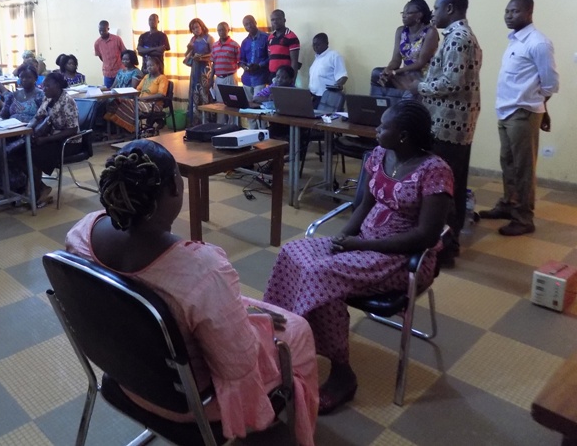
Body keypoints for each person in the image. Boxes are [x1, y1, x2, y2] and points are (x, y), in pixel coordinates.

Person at [66, 140, 318, 444]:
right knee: (298, 328)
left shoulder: (81, 234)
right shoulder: (203, 271)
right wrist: (253, 321)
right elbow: (238, 366)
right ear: (175, 186)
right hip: (190, 405)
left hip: (123, 375)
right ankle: (286, 427)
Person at [263, 100, 452, 415]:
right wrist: (345, 239)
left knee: (320, 276)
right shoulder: (380, 156)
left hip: (402, 257)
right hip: (363, 243)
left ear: (403, 135)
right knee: (292, 252)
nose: (377, 129)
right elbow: (363, 204)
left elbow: (426, 237)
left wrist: (357, 247)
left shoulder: (435, 172)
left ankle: (342, 373)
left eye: (384, 126)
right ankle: (285, 340)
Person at [394, 0, 481, 265]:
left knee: (446, 188)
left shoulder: (458, 38)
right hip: (450, 121)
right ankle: (445, 243)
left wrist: (417, 86)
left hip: (449, 124)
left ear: (451, 9)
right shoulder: (459, 37)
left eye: (437, 8)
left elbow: (451, 83)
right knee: (450, 184)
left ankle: (446, 248)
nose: (434, 14)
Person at [478, 0, 559, 236]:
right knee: (508, 162)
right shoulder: (515, 40)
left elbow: (550, 84)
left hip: (523, 112)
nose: (508, 15)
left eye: (514, 11)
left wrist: (538, 107)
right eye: (506, 11)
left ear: (528, 13)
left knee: (523, 168)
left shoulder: (539, 43)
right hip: (506, 110)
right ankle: (508, 204)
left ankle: (524, 218)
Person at [0, 63, 44, 193]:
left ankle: (18, 184)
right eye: (22, 77)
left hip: (28, 134)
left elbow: (43, 118)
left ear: (35, 78)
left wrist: (31, 128)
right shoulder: (12, 95)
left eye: (29, 77)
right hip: (9, 131)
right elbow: (3, 115)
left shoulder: (41, 96)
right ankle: (3, 183)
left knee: (9, 151)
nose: (25, 80)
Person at [27, 73, 79, 207]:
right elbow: (38, 116)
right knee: (23, 149)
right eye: (43, 86)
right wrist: (28, 128)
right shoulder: (48, 98)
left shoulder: (67, 101)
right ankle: (38, 187)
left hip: (68, 141)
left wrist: (46, 139)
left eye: (47, 86)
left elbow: (72, 130)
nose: (44, 89)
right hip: (50, 138)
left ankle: (39, 191)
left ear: (57, 85)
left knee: (34, 153)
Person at [374, 0, 439, 98]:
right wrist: (388, 70)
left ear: (419, 15)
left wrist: (395, 72)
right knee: (377, 73)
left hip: (423, 77)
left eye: (408, 13)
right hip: (405, 74)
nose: (404, 16)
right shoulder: (401, 31)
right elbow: (396, 59)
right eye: (403, 13)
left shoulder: (430, 32)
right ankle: (379, 107)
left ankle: (405, 104)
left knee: (412, 77)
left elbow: (420, 63)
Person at [184, 18, 214, 126]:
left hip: (205, 70)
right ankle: (196, 122)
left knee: (205, 93)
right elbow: (186, 55)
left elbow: (213, 54)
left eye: (197, 27)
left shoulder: (209, 38)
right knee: (195, 93)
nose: (195, 30)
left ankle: (208, 122)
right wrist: (188, 49)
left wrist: (201, 56)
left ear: (202, 26)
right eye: (193, 29)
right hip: (195, 69)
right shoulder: (192, 40)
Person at [307, 33, 347, 101]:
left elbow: (343, 77)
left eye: (318, 44)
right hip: (313, 97)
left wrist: (335, 89)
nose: (315, 47)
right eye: (314, 45)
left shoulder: (334, 55)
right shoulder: (317, 58)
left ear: (326, 43)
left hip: (327, 97)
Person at [239, 15, 271, 99]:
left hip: (260, 78)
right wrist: (245, 67)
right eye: (246, 24)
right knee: (247, 107)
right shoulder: (244, 42)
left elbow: (271, 57)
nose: (249, 26)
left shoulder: (266, 38)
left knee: (259, 106)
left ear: (255, 22)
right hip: (247, 79)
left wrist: (259, 65)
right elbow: (241, 60)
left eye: (251, 23)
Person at [94, 20, 127, 88]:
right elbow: (101, 57)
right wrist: (108, 63)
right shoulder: (97, 43)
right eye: (100, 30)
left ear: (108, 29)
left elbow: (124, 53)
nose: (102, 32)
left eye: (104, 30)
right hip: (107, 73)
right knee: (109, 94)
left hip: (120, 71)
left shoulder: (117, 39)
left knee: (121, 94)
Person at [267, 9, 300, 76]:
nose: (275, 22)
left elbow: (294, 61)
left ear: (284, 20)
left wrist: (292, 81)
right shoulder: (270, 37)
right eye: (272, 20)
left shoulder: (291, 37)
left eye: (278, 19)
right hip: (272, 75)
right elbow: (270, 57)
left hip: (285, 76)